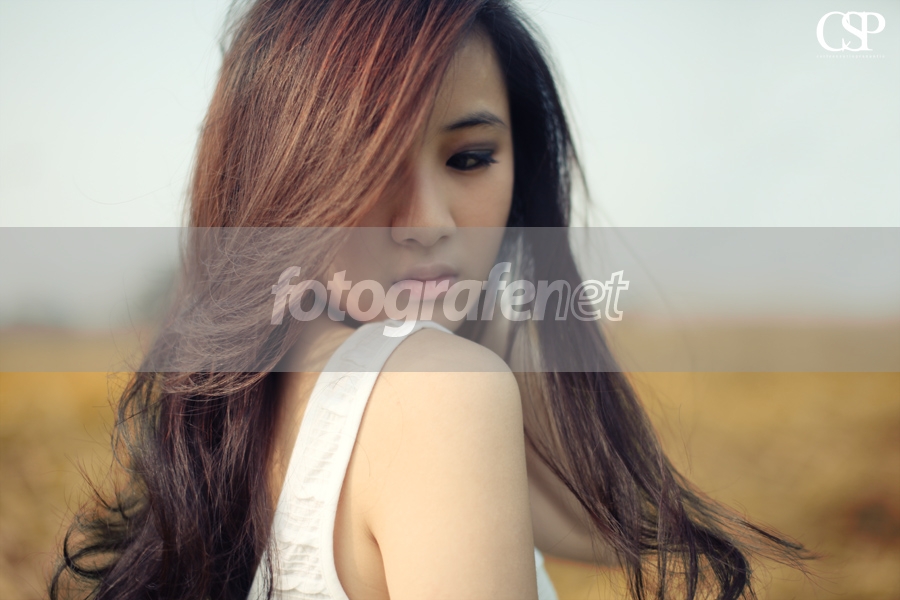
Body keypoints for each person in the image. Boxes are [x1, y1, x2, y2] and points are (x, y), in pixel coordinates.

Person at [50, 1, 807, 599]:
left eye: (470, 159)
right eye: (368, 162)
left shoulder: (243, 404)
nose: (427, 221)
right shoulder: (441, 393)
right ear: (282, 176)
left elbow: (600, 527)